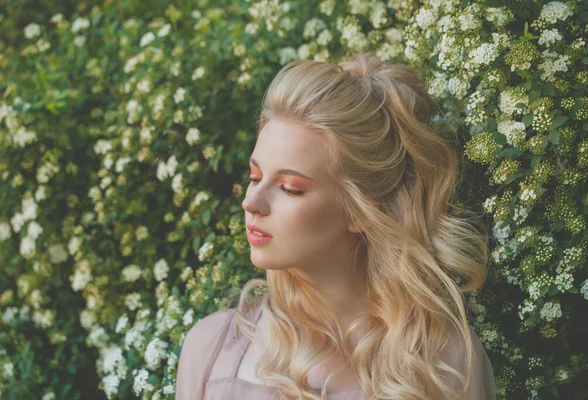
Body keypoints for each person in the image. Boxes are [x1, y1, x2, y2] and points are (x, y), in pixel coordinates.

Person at [175, 52, 496, 400]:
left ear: (361, 208)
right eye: (255, 177)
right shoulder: (210, 351)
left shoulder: (442, 362)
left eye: (289, 188)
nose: (251, 203)